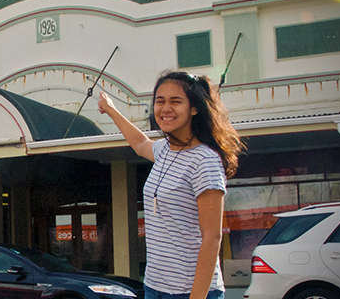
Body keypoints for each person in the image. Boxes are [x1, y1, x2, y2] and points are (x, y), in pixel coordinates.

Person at [97, 71, 243, 299]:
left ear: (194, 108)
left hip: (190, 292)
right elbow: (140, 143)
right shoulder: (165, 150)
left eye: (175, 102)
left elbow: (212, 237)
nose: (165, 108)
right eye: (160, 101)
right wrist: (111, 110)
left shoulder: (204, 160)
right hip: (155, 287)